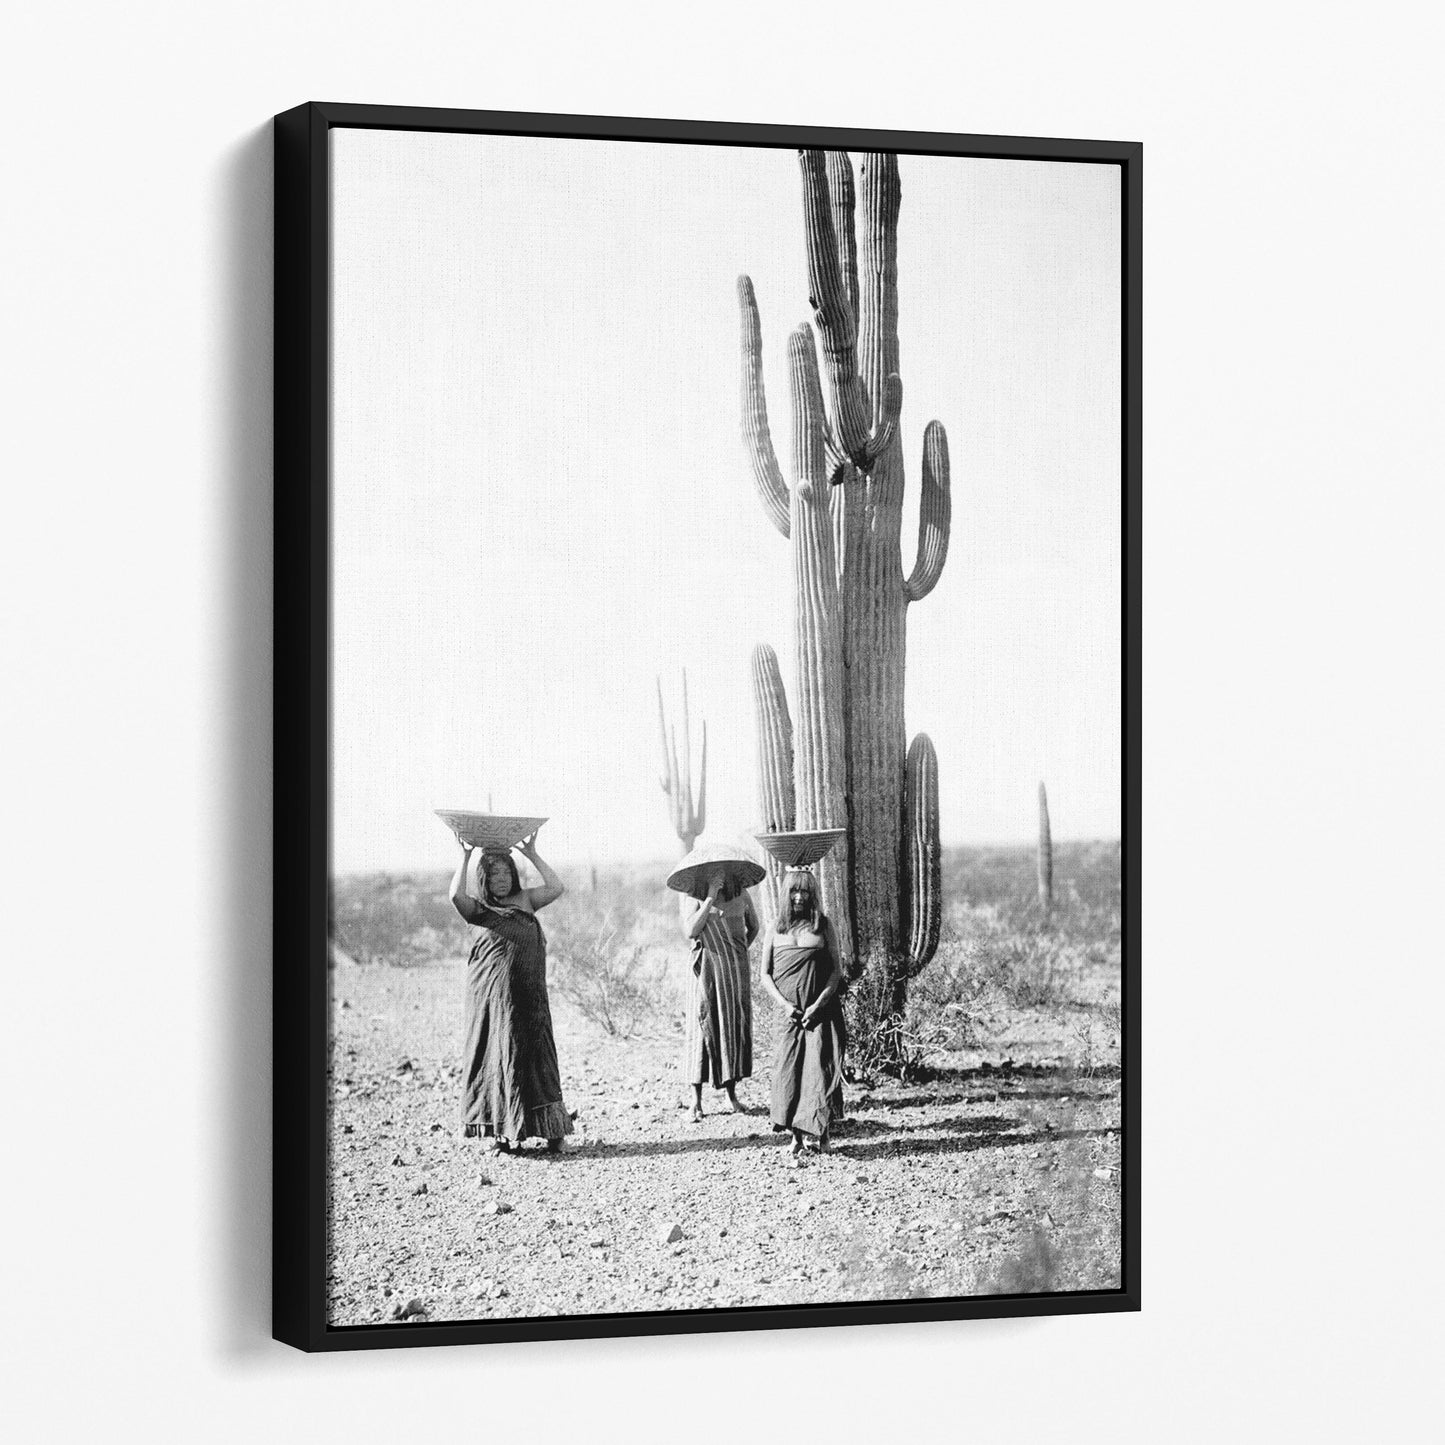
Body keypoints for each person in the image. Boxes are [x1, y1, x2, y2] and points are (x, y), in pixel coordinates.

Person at [448, 833, 573, 1155]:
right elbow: (454, 895)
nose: (501, 879)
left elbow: (556, 887)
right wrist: (464, 857)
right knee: (498, 1056)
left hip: (530, 998)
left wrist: (532, 853)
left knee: (537, 1057)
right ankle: (502, 1133)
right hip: (494, 1002)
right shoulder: (477, 910)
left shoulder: (527, 900)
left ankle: (552, 1132)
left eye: (506, 872)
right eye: (493, 874)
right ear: (483, 879)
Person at [759, 868, 847, 1161]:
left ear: (813, 894)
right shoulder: (775, 927)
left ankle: (823, 1135)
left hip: (819, 1011)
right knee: (789, 1071)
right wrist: (786, 1006)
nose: (799, 896)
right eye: (794, 891)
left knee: (818, 1070)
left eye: (805, 891)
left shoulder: (824, 926)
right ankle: (796, 1137)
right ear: (785, 894)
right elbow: (765, 975)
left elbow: (836, 971)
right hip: (787, 1014)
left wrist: (818, 1004)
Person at [679, 870, 759, 1120]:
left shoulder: (741, 895)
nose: (719, 875)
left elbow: (754, 927)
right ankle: (696, 1101)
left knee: (730, 1028)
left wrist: (736, 951)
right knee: (701, 1029)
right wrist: (710, 898)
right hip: (704, 971)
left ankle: (731, 1095)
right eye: (713, 871)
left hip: (734, 972)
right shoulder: (693, 896)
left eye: (724, 870)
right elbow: (691, 930)